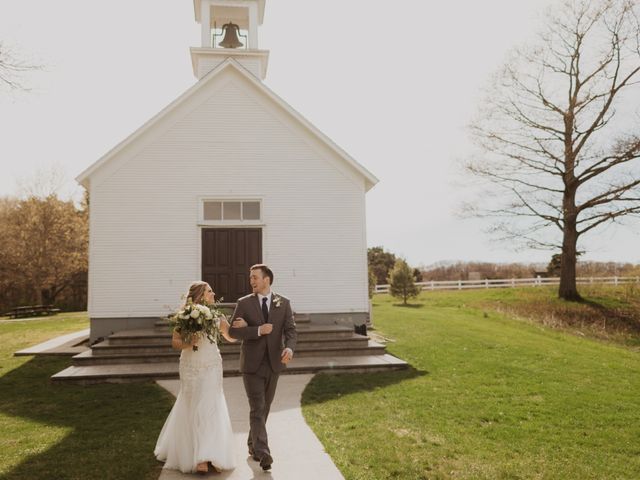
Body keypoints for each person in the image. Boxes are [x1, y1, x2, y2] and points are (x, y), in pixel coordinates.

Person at [154, 281, 245, 475]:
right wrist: (189, 343)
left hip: (211, 365)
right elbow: (175, 342)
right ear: (200, 295)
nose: (213, 293)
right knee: (193, 405)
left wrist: (240, 327)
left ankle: (212, 454)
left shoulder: (217, 316)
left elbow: (230, 337)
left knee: (209, 406)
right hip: (190, 365)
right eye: (210, 291)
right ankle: (198, 456)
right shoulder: (185, 317)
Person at [228, 264, 297, 471]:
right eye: (250, 278)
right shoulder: (244, 303)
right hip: (252, 365)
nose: (252, 281)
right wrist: (257, 330)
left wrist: (290, 349)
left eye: (255, 277)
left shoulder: (283, 303)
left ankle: (252, 444)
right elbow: (232, 332)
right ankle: (264, 453)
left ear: (267, 279)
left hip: (274, 363)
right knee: (257, 407)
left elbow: (291, 331)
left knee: (264, 407)